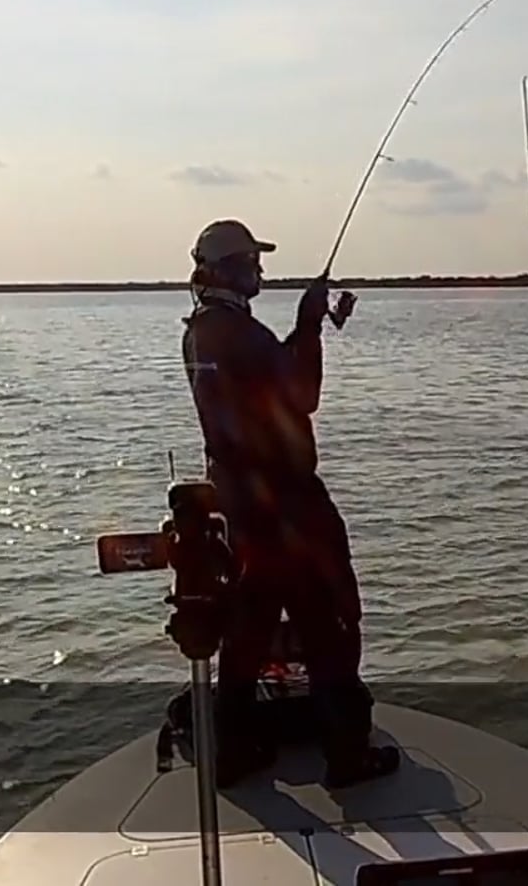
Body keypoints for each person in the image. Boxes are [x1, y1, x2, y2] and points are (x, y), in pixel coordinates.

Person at [179, 218, 400, 788]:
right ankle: (348, 755)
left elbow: (265, 384)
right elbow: (303, 393)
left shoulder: (201, 332)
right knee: (330, 620)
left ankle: (234, 749)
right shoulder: (238, 333)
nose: (259, 270)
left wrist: (305, 329)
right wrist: (308, 322)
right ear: (227, 269)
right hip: (288, 506)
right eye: (251, 262)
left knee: (249, 627)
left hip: (240, 502)